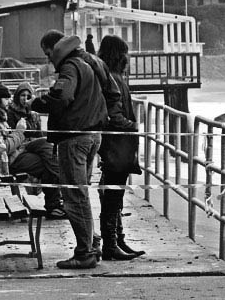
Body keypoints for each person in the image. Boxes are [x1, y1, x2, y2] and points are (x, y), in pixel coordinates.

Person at [31, 30, 111, 269]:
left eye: (48, 53)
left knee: (74, 197)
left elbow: (63, 97)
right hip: (92, 135)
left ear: (57, 48)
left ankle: (85, 252)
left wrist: (38, 103)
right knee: (81, 195)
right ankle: (92, 243)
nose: (48, 59)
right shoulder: (89, 63)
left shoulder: (70, 66)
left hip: (74, 138)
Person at [0, 81, 65, 218]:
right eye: (6, 98)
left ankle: (57, 198)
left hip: (10, 156)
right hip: (5, 163)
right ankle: (55, 205)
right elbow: (2, 149)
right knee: (46, 162)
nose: (9, 101)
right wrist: (19, 131)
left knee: (46, 144)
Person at [97, 35, 145, 260]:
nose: (128, 58)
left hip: (115, 146)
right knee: (113, 197)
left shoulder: (111, 78)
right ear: (119, 55)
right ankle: (111, 244)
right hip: (118, 146)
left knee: (113, 195)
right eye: (125, 53)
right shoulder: (114, 80)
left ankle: (117, 240)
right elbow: (114, 116)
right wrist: (133, 126)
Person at [6, 82, 64, 214]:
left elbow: (39, 134)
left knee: (49, 158)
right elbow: (12, 136)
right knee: (48, 150)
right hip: (20, 147)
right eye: (22, 95)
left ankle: (54, 203)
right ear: (17, 97)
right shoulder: (11, 113)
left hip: (33, 146)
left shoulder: (34, 114)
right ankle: (56, 197)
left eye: (28, 96)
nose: (25, 99)